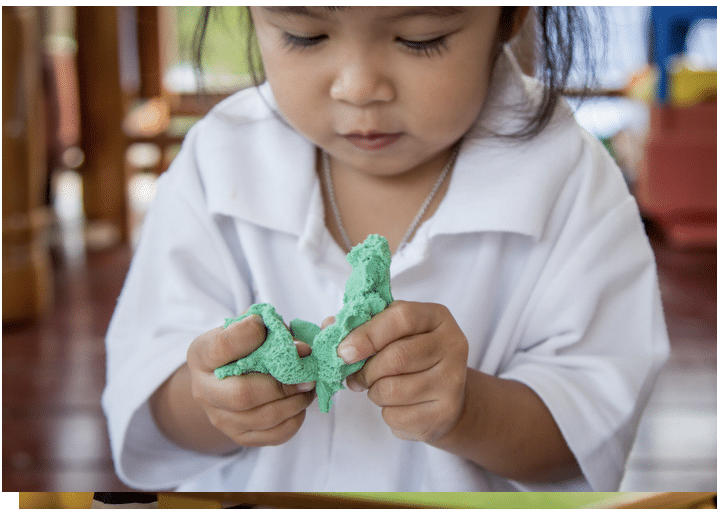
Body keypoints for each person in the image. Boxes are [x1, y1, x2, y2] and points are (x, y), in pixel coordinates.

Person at [103, 6, 669, 492]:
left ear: (509, 16)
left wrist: (467, 408)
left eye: (420, 38)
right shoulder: (218, 159)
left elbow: (589, 431)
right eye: (305, 34)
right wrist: (213, 402)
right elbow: (144, 390)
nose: (358, 87)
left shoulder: (569, 176)